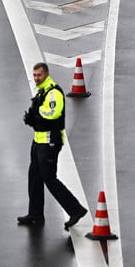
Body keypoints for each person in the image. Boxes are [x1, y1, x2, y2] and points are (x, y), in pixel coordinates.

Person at [17, 62, 88, 229]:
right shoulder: (41, 90)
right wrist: (32, 119)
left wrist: (37, 114)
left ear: (46, 74)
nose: (36, 78)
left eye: (39, 75)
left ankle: (75, 210)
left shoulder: (53, 92)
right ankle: (35, 213)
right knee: (34, 177)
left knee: (49, 179)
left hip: (49, 143)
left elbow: (53, 113)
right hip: (38, 141)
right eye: (34, 75)